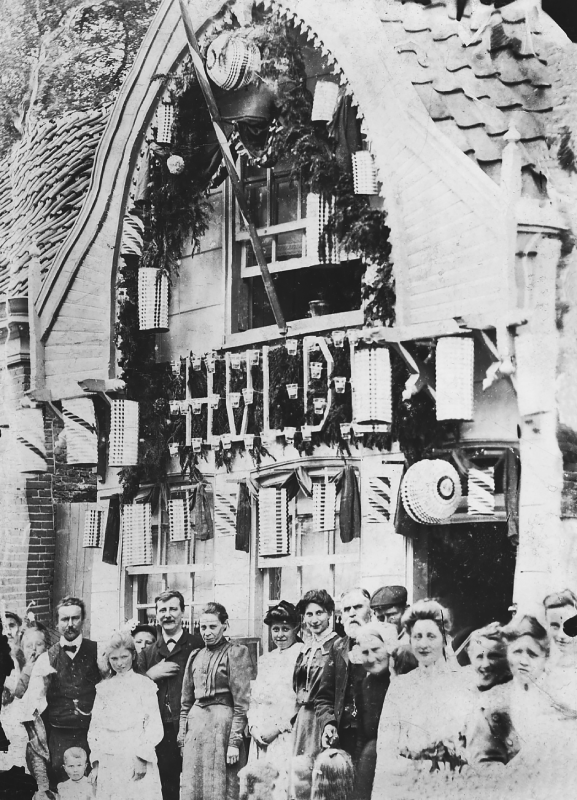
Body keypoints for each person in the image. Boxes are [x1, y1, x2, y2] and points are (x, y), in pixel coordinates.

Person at [372, 600, 474, 798]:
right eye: (417, 636)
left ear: (444, 638)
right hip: (410, 790)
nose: (423, 644)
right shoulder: (400, 687)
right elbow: (385, 754)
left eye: (431, 636)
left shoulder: (465, 683)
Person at [178, 601, 252, 800]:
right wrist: (182, 738)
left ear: (225, 625)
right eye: (203, 627)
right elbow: (185, 702)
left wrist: (235, 742)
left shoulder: (236, 653)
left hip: (223, 729)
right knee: (195, 785)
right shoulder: (195, 656)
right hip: (196, 730)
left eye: (213, 626)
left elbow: (242, 704)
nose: (207, 632)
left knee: (224, 786)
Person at [26, 596, 101, 786]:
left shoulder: (98, 652)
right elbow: (34, 703)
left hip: (91, 736)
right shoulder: (46, 658)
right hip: (59, 739)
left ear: (83, 620)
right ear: (57, 623)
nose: (70, 624)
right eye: (64, 619)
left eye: (75, 618)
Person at [137, 590, 203, 800]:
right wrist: (149, 675)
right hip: (162, 730)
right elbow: (133, 692)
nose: (167, 615)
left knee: (196, 782)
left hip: (193, 726)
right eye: (162, 610)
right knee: (168, 785)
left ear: (182, 612)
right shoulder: (147, 653)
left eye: (173, 609)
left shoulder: (198, 645)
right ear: (156, 614)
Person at [88, 630, 163, 800]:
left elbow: (154, 726)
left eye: (124, 657)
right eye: (114, 658)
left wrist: (142, 757)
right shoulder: (103, 689)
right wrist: (97, 762)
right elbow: (96, 729)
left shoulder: (144, 685)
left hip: (135, 754)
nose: (120, 663)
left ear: (133, 656)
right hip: (110, 759)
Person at [247, 600, 300, 792]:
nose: (280, 635)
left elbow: (298, 703)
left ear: (296, 628)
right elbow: (254, 699)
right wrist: (253, 727)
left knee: (281, 787)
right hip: (260, 737)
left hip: (284, 736)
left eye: (285, 629)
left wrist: (276, 729)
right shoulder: (266, 660)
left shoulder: (301, 656)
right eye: (275, 629)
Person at [315, 588, 373, 759]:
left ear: (371, 612)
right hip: (343, 735)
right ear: (341, 616)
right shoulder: (338, 647)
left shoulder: (382, 645)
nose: (352, 613)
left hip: (373, 736)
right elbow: (323, 697)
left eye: (358, 607)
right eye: (347, 610)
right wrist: (328, 723)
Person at [293, 590, 338, 761]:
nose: (314, 619)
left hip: (323, 719)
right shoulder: (306, 647)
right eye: (309, 614)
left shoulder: (337, 645)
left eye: (319, 613)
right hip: (303, 719)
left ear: (330, 614)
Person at [354, 623, 397, 800]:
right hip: (373, 758)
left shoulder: (400, 679)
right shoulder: (364, 684)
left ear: (388, 649)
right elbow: (363, 734)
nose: (371, 658)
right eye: (365, 652)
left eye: (376, 649)